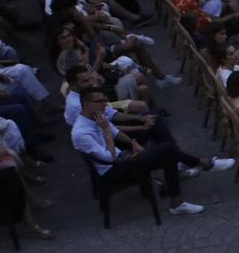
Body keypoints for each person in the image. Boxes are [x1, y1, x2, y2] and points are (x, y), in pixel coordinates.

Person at [72, 88, 224, 216]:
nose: (105, 104)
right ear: (87, 104)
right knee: (167, 149)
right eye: (100, 101)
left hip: (124, 158)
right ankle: (204, 164)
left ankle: (177, 202)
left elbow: (116, 132)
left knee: (168, 153)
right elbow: (109, 157)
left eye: (105, 100)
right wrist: (105, 130)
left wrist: (133, 143)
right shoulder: (81, 133)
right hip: (113, 169)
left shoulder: (98, 116)